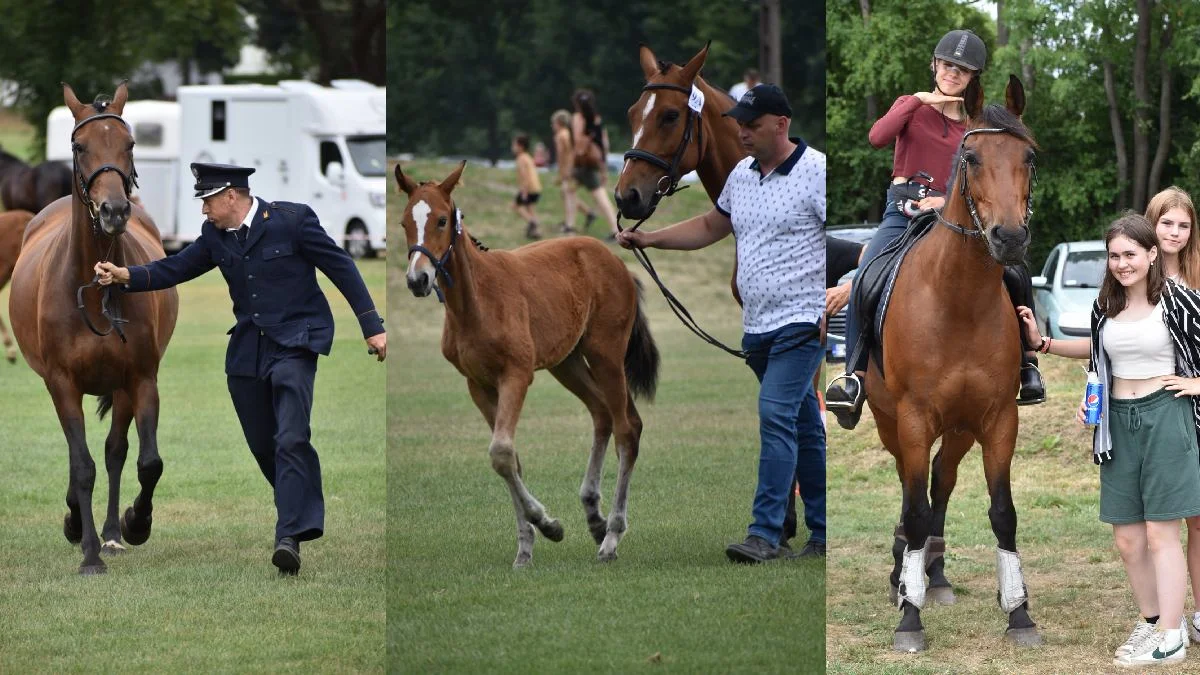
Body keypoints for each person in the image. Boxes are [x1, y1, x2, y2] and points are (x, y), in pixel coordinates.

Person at [94, 162, 387, 576]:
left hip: (297, 343)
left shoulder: (293, 221)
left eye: (208, 201)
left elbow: (340, 266)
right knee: (265, 447)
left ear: (231, 195)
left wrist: (372, 325)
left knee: (290, 437)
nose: (204, 211)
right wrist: (126, 275)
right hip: (248, 352)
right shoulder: (215, 237)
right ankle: (298, 508)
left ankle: (288, 537)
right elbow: (175, 268)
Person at [617, 83, 826, 562]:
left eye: (751, 125)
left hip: (802, 322)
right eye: (739, 124)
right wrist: (649, 239)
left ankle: (765, 534)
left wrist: (834, 298)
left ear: (781, 124)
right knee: (804, 425)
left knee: (775, 416)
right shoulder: (741, 176)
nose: (742, 133)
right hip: (758, 327)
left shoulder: (817, 173)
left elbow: (838, 245)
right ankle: (823, 532)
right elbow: (712, 226)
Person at [824, 29, 1046, 430]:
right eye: (946, 65)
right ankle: (853, 377)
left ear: (974, 77)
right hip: (902, 214)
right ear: (934, 65)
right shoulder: (911, 108)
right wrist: (917, 100)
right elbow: (877, 137)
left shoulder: (980, 126)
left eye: (963, 70)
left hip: (956, 220)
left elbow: (985, 178)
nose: (952, 74)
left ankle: (1027, 365)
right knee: (868, 273)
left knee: (1015, 271)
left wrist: (945, 202)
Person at [1018, 212, 1200, 667]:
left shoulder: (1178, 300)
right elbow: (1099, 352)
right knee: (1127, 538)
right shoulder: (1106, 304)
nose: (1122, 264)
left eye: (1131, 255)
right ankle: (1154, 619)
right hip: (1117, 421)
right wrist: (1044, 346)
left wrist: (1199, 383)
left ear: (1153, 254)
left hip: (1166, 416)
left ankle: (1173, 636)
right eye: (1114, 255)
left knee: (1162, 532)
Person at [571, 89, 620, 239]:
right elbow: (604, 144)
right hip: (593, 162)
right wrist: (603, 167)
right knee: (568, 190)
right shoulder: (597, 119)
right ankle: (581, 219)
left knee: (600, 197)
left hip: (582, 163)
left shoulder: (578, 118)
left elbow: (578, 139)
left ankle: (615, 230)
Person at [550, 110, 597, 235]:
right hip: (573, 167)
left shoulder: (560, 136)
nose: (552, 126)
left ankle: (570, 225)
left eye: (553, 123)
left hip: (568, 169)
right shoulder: (568, 134)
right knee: (567, 194)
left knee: (568, 194)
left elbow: (561, 156)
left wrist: (561, 173)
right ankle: (587, 214)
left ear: (558, 123)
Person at [511, 133, 543, 239]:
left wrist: (524, 192)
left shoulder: (521, 158)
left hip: (528, 188)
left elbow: (525, 176)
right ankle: (536, 232)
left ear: (520, 146)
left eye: (514, 145)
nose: (513, 147)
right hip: (536, 188)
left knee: (516, 206)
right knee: (530, 209)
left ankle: (532, 222)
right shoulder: (528, 157)